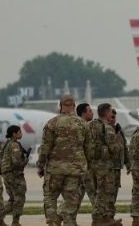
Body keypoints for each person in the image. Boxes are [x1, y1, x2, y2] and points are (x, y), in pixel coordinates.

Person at [38, 94, 92, 226]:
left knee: (50, 197)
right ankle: (69, 222)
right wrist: (86, 165)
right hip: (75, 170)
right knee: (70, 202)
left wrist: (41, 165)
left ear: (60, 106)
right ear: (73, 106)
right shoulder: (83, 124)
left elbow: (45, 147)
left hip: (54, 169)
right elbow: (89, 148)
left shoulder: (52, 123)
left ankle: (51, 221)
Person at [87, 103, 123, 226]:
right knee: (104, 193)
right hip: (104, 166)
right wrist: (117, 137)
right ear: (106, 112)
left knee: (98, 192)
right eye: (111, 111)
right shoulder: (107, 128)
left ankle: (105, 218)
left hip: (92, 164)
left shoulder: (90, 125)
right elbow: (115, 148)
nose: (112, 114)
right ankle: (98, 219)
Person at [0, 125, 29, 226]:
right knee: (19, 198)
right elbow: (16, 162)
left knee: (13, 199)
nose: (21, 133)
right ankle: (15, 222)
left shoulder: (6, 144)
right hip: (14, 175)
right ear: (14, 134)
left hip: (7, 174)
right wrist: (25, 160)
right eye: (19, 132)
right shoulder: (15, 145)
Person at [111, 109, 129, 222]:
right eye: (111, 117)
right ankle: (107, 217)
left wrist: (128, 163)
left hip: (117, 167)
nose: (113, 119)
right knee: (107, 194)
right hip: (107, 168)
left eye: (114, 117)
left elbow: (124, 147)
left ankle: (110, 217)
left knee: (114, 192)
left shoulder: (118, 130)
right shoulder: (103, 130)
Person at [77, 103, 96, 207]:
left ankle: (60, 216)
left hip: (82, 166)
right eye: (90, 111)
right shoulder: (82, 127)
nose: (92, 113)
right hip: (85, 167)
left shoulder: (84, 126)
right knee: (94, 193)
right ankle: (101, 218)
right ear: (84, 113)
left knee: (76, 195)